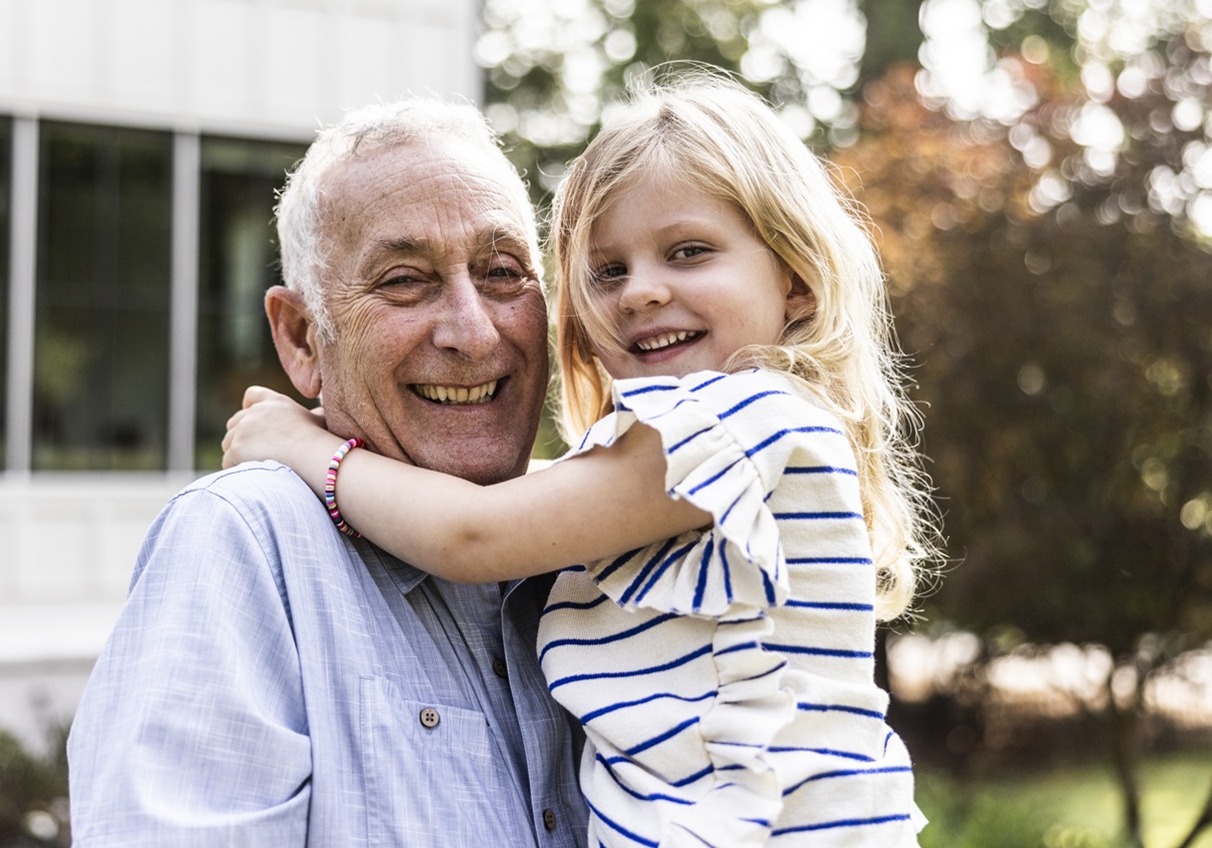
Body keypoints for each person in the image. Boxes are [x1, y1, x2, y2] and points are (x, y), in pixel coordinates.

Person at [223, 70, 940, 847]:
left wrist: (308, 448)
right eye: (607, 271)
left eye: (688, 252)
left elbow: (476, 534)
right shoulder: (684, 457)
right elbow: (525, 501)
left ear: (794, 278)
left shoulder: (741, 419)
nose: (641, 292)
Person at [66, 98, 589, 847]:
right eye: (405, 280)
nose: (473, 333)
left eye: (503, 272)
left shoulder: (603, 542)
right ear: (303, 338)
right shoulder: (244, 545)